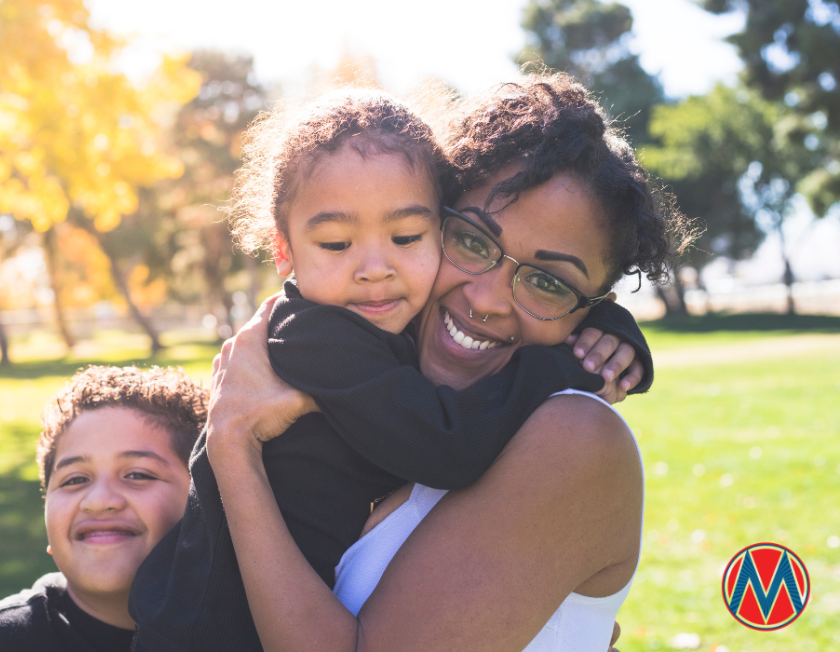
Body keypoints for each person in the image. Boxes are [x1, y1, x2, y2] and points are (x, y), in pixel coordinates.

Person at [130, 87, 653, 651]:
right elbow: (446, 443)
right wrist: (563, 359)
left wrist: (607, 329)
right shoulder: (328, 340)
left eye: (550, 284)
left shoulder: (572, 437)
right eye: (473, 242)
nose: (487, 301)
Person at [0, 365, 208, 652]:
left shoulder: (248, 629)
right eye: (75, 479)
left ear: (203, 500)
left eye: (138, 475)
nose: (98, 501)